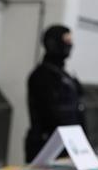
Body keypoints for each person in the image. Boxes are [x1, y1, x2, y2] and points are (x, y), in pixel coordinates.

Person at [24, 25, 86, 162]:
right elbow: (51, 114)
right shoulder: (41, 76)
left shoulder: (66, 76)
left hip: (69, 145)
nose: (69, 45)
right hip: (47, 146)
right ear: (53, 43)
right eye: (66, 41)